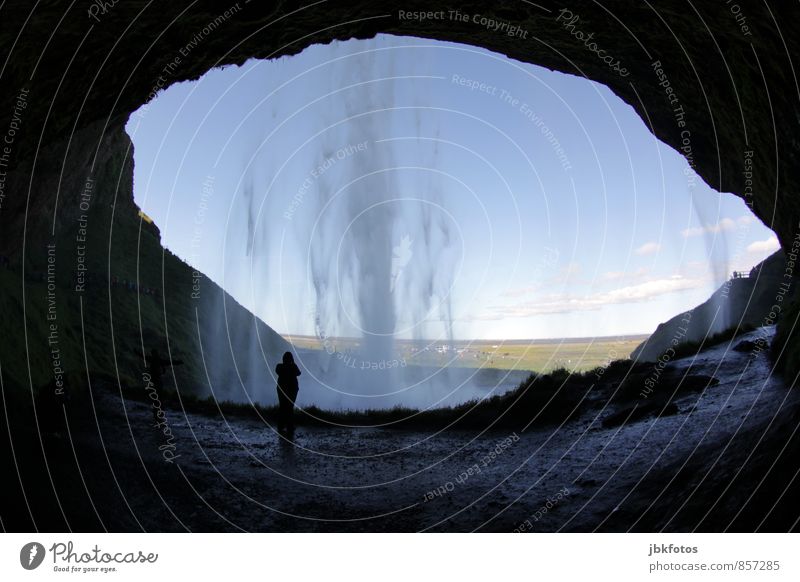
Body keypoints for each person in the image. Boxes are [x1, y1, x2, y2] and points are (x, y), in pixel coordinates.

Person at [275, 351, 301, 437]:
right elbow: (299, 373)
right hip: (292, 390)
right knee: (290, 407)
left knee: (283, 406)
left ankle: (281, 425)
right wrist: (293, 363)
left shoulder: (279, 366)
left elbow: (277, 372)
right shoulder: (293, 366)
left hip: (281, 389)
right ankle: (289, 426)